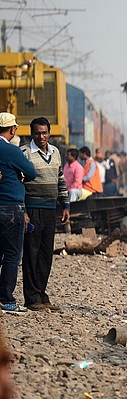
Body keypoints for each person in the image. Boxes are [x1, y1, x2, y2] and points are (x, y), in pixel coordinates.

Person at [20, 116, 70, 312]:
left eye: (44, 132)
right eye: (37, 133)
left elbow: (61, 180)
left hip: (50, 210)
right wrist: (23, 210)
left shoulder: (56, 152)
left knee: (45, 254)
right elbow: (19, 183)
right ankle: (31, 298)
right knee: (31, 253)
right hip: (32, 209)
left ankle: (42, 294)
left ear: (49, 133)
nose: (41, 136)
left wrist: (65, 205)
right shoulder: (24, 153)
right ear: (31, 134)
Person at [0, 112, 36, 314]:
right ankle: (6, 299)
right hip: (10, 208)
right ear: (12, 129)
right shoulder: (11, 151)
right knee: (12, 256)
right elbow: (31, 172)